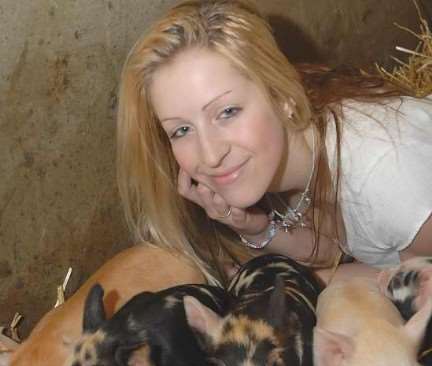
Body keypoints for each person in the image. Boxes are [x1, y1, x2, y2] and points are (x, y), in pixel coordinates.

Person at [116, 0, 432, 287]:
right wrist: (255, 229)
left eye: (228, 112)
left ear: (282, 97)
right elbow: (337, 247)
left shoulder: (385, 173)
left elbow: (418, 287)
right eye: (182, 130)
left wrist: (284, 287)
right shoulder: (283, 157)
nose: (210, 155)